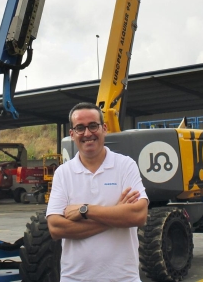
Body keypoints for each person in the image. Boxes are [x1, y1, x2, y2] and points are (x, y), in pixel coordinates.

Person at [46, 102, 149, 282]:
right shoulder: (63, 173)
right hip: (75, 278)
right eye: (80, 128)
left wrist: (85, 210)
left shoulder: (125, 165)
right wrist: (116, 215)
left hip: (123, 278)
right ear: (72, 134)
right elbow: (55, 227)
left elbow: (139, 215)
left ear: (104, 128)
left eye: (93, 126)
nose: (87, 133)